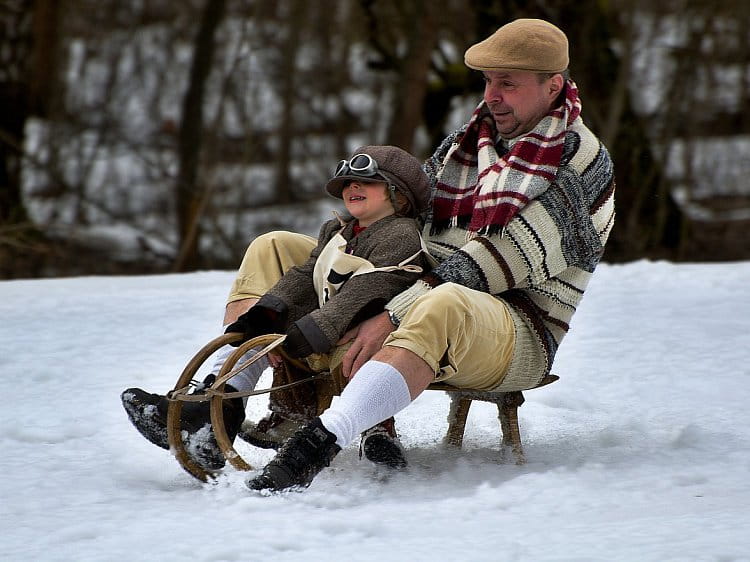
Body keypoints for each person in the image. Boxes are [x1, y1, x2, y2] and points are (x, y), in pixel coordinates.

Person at [243, 17, 617, 492]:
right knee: (276, 249)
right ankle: (220, 398)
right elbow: (406, 213)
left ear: (553, 86)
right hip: (424, 285)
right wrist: (346, 247)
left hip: (518, 328)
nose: (491, 96)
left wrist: (391, 313)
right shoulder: (469, 143)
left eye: (508, 84)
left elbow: (493, 265)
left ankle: (318, 442)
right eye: (487, 81)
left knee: (445, 303)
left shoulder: (578, 159)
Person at [121, 145, 432, 471]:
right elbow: (306, 276)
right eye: (348, 182)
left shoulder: (401, 235)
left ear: (400, 196)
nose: (353, 188)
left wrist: (311, 331)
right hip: (331, 324)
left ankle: (370, 434)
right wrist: (268, 312)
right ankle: (211, 417)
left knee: (304, 344)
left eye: (367, 182)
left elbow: (367, 291)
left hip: (364, 336)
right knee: (256, 333)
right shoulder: (338, 231)